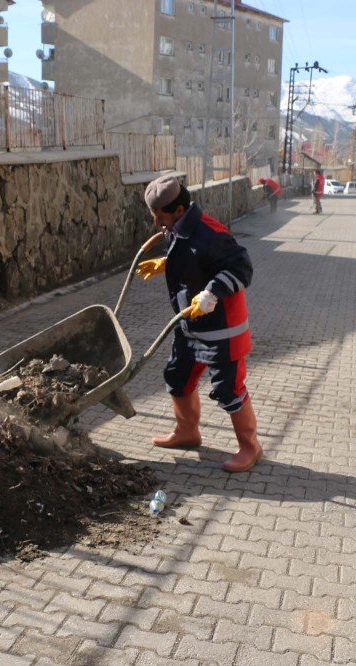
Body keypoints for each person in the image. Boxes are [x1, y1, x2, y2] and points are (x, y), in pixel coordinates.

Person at [134, 175, 262, 473]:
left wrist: (212, 292)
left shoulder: (210, 232)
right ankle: (187, 433)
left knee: (229, 389)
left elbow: (241, 267)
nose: (156, 223)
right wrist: (166, 263)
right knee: (178, 378)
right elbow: (194, 258)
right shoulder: (178, 228)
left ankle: (250, 446)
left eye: (159, 216)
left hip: (222, 330)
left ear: (178, 210)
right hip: (189, 325)